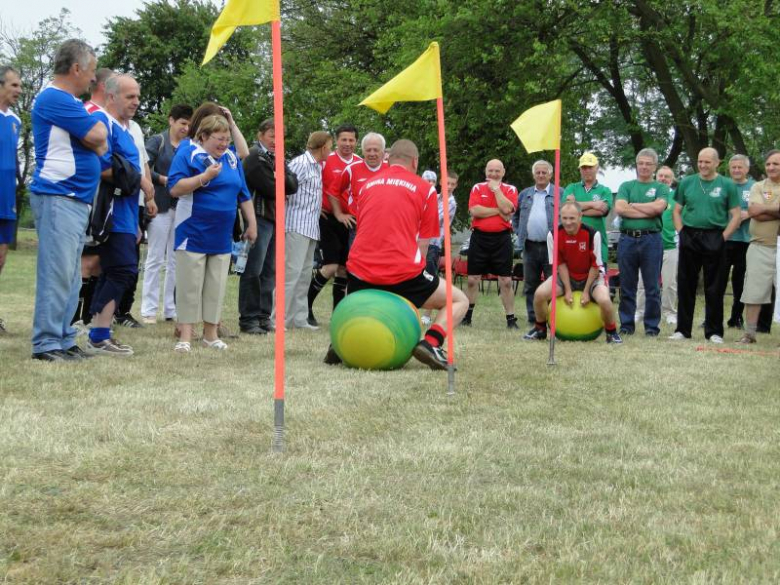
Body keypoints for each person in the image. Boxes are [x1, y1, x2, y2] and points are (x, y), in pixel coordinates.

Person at [326, 139, 469, 370]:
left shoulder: (366, 185)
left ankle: (339, 342)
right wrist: (420, 278)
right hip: (401, 274)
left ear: (388, 160)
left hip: (360, 272)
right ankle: (432, 342)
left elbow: (363, 227)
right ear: (415, 161)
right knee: (459, 299)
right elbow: (424, 243)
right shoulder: (427, 190)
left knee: (353, 287)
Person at [30, 39, 108, 361]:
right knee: (57, 272)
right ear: (76, 68)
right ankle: (46, 343)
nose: (93, 79)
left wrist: (94, 136)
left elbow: (101, 145)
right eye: (90, 71)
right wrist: (94, 134)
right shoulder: (54, 98)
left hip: (74, 200)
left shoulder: (71, 103)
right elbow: (99, 137)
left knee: (72, 275)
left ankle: (62, 338)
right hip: (58, 196)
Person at [168, 114, 257, 352]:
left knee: (216, 285)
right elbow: (175, 188)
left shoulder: (231, 158)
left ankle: (211, 334)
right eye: (219, 139)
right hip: (193, 230)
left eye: (227, 139)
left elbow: (243, 193)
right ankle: (185, 336)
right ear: (204, 136)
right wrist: (204, 178)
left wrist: (251, 222)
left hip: (221, 233)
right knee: (190, 285)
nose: (224, 143)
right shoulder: (188, 153)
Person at [85, 74, 157, 356]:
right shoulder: (105, 123)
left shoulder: (128, 131)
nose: (136, 102)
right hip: (111, 211)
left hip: (128, 213)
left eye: (138, 96)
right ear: (111, 96)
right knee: (122, 269)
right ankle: (97, 332)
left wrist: (137, 221)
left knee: (120, 270)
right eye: (130, 96)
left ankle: (99, 330)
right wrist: (139, 179)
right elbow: (101, 168)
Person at [523, 201, 622, 343]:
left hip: (591, 276)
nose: (568, 222)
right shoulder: (553, 235)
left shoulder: (593, 234)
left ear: (580, 216)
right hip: (566, 276)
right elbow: (560, 265)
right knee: (539, 295)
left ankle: (611, 332)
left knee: (605, 301)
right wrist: (568, 290)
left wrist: (587, 291)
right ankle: (540, 329)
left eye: (572, 218)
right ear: (560, 217)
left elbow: (595, 267)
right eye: (564, 218)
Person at [670, 147, 741, 343]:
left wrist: (723, 237)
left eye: (707, 162)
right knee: (686, 284)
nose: (702, 165)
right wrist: (681, 232)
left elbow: (736, 215)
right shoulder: (687, 182)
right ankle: (683, 330)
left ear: (717, 163)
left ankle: (714, 331)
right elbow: (676, 210)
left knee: (715, 287)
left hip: (715, 236)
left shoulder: (727, 184)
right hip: (689, 235)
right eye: (700, 161)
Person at [238, 119, 298, 334]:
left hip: (273, 219)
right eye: (273, 135)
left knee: (269, 271)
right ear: (261, 134)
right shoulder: (255, 156)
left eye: (280, 136)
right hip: (257, 217)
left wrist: (279, 175)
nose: (276, 140)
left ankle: (263, 316)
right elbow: (271, 188)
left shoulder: (277, 158)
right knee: (253, 270)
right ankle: (249, 319)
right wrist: (280, 178)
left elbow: (293, 185)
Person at [140, 104, 193, 323]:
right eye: (182, 123)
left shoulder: (189, 146)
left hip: (180, 207)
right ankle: (149, 309)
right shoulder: (157, 141)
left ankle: (170, 309)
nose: (186, 128)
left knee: (175, 260)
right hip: (159, 206)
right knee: (155, 258)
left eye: (189, 124)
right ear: (171, 120)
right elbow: (143, 168)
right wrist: (163, 180)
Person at [73, 67, 115, 332]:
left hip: (105, 198)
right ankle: (74, 316)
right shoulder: (92, 113)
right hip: (92, 194)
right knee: (87, 261)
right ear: (105, 87)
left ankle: (87, 316)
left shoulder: (106, 116)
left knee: (98, 260)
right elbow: (99, 157)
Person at [307, 124, 361, 326]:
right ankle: (306, 306)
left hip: (349, 220)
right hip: (328, 217)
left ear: (356, 142)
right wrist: (315, 206)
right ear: (337, 141)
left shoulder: (359, 163)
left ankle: (337, 316)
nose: (347, 144)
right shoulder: (325, 160)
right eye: (343, 140)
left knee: (344, 269)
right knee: (329, 266)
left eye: (351, 140)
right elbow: (311, 184)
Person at [614, 148, 670, 336]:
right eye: (641, 163)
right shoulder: (626, 186)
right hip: (627, 239)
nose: (644, 167)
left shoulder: (661, 187)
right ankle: (627, 326)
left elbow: (659, 208)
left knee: (652, 286)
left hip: (651, 239)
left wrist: (634, 205)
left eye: (648, 164)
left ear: (654, 166)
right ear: (636, 165)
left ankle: (652, 327)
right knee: (627, 286)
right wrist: (647, 208)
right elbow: (620, 208)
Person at [463, 159, 519, 328]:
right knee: (472, 280)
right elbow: (475, 211)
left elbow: (508, 210)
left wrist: (496, 190)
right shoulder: (477, 188)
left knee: (506, 281)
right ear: (485, 171)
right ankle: (467, 317)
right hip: (479, 238)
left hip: (502, 239)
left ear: (503, 172)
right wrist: (498, 211)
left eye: (497, 171)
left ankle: (511, 320)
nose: (493, 174)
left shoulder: (510, 189)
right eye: (490, 171)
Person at [284, 131, 332, 329]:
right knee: (291, 273)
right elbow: (285, 189)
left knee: (304, 275)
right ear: (322, 148)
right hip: (296, 225)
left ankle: (299, 318)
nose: (331, 150)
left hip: (310, 227)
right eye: (330, 146)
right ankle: (279, 318)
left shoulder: (317, 166)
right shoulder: (300, 163)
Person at [737, 150, 780, 343]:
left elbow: (760, 211)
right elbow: (754, 211)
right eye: (768, 164)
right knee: (753, 291)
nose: (771, 167)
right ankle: (750, 334)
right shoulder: (758, 186)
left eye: (776, 164)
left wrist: (764, 209)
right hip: (760, 246)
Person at [513, 160, 556, 324]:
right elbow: (515, 217)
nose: (541, 175)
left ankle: (552, 317)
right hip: (529, 246)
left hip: (552, 246)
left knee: (553, 284)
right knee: (531, 284)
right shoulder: (525, 194)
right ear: (533, 175)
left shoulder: (560, 193)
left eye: (544, 172)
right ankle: (534, 319)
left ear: (550, 174)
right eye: (537, 172)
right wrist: (519, 232)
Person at [0, 65, 22, 335]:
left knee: (2, 257)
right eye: (14, 85)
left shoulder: (15, 121)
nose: (19, 90)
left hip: (7, 198)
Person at [421, 170, 458, 327]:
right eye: (447, 183)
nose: (449, 186)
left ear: (456, 186)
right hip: (421, 240)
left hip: (434, 243)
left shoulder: (451, 203)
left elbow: (434, 217)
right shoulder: (433, 197)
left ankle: (427, 314)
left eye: (452, 184)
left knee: (430, 275)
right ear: (441, 182)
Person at [338, 132, 388, 246]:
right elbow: (334, 192)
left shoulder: (391, 169)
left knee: (383, 261)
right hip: (359, 226)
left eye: (376, 150)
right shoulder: (351, 169)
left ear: (383, 151)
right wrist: (339, 214)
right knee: (356, 262)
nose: (372, 153)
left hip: (385, 225)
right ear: (363, 150)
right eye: (368, 150)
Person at [562, 152, 612, 266]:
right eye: (584, 167)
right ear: (580, 169)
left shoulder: (605, 190)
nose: (587, 170)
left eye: (590, 167)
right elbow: (566, 208)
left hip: (597, 247)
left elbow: (602, 210)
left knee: (597, 282)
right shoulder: (571, 187)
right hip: (573, 245)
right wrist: (593, 204)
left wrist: (575, 205)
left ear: (597, 168)